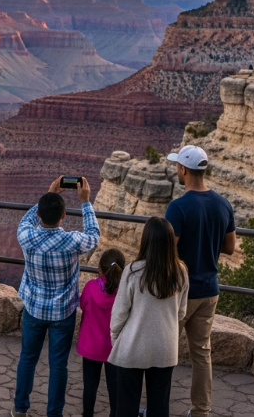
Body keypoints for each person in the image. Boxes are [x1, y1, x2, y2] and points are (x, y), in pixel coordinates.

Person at [12, 176, 99, 417]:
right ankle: (54, 414)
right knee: (58, 364)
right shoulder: (72, 241)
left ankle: (20, 409)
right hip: (63, 312)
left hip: (34, 309)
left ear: (39, 214)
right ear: (63, 216)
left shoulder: (27, 237)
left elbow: (27, 220)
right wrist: (85, 202)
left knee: (28, 358)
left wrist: (49, 193)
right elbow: (94, 235)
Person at [165, 145, 235, 417]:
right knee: (201, 354)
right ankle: (201, 411)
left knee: (165, 352)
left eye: (177, 167)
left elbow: (166, 251)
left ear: (183, 169)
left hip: (180, 292)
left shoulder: (178, 207)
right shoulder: (223, 204)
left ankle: (159, 407)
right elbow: (229, 247)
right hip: (209, 289)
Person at [108, 217, 189, 417]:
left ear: (146, 240)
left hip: (133, 344)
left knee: (126, 405)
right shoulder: (181, 271)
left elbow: (119, 313)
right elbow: (181, 312)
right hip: (165, 347)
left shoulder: (133, 271)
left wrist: (115, 338)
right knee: (159, 406)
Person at [77, 248, 125, 417]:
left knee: (90, 385)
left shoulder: (91, 287)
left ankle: (87, 414)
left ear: (99, 268)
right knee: (115, 387)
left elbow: (83, 305)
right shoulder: (124, 293)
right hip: (115, 347)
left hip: (91, 346)